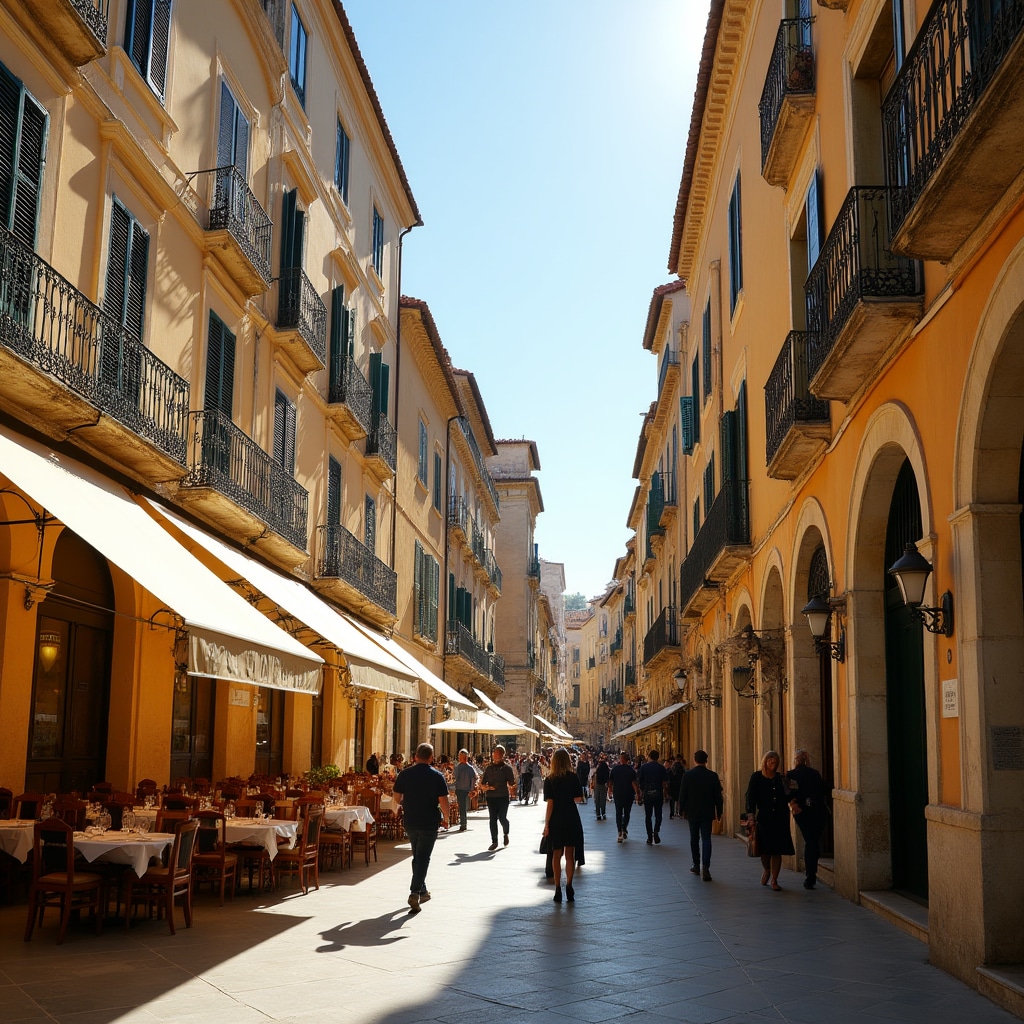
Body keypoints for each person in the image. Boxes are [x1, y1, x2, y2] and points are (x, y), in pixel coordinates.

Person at [392, 742, 450, 913]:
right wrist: (446, 818)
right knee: (423, 858)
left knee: (417, 856)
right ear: (431, 758)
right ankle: (414, 892)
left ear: (415, 756)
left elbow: (396, 798)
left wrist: (407, 803)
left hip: (410, 821)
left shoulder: (405, 774)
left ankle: (422, 890)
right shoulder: (437, 776)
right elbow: (444, 801)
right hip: (429, 822)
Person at [745, 749, 795, 890]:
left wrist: (794, 802)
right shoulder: (756, 777)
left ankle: (774, 880)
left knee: (777, 850)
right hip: (764, 818)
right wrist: (751, 816)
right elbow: (750, 797)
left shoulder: (781, 779)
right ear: (765, 762)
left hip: (780, 818)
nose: (772, 763)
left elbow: (791, 793)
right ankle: (766, 869)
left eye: (775, 761)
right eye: (770, 760)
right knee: (765, 850)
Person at [542, 747, 584, 903]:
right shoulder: (573, 777)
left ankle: (557, 888)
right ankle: (569, 885)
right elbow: (578, 799)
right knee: (569, 855)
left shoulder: (550, 779)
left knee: (556, 854)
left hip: (556, 819)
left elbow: (550, 804)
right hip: (571, 817)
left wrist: (546, 824)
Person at [679, 749, 723, 880]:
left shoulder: (688, 775)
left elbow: (683, 795)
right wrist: (719, 811)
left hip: (692, 812)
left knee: (694, 838)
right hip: (707, 812)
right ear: (706, 761)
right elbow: (718, 797)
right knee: (706, 838)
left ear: (694, 760)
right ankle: (706, 866)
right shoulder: (713, 776)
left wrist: (681, 810)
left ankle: (696, 865)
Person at [786, 748, 827, 889]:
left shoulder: (791, 775)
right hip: (817, 812)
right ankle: (811, 875)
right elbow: (822, 792)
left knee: (811, 842)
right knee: (812, 842)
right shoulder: (814, 774)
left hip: (804, 812)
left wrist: (794, 804)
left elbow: (790, 793)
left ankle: (810, 876)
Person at [480, 744, 516, 851]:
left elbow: (511, 783)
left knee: (502, 818)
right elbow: (482, 783)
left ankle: (506, 833)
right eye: (495, 753)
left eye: (498, 753)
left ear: (502, 755)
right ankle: (494, 841)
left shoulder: (507, 769)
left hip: (503, 796)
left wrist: (512, 786)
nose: (495, 755)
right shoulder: (489, 768)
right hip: (491, 797)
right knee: (492, 819)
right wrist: (486, 787)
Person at [637, 749, 670, 845]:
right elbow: (664, 782)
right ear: (658, 757)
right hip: (658, 794)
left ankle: (649, 837)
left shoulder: (644, 767)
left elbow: (640, 781)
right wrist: (665, 793)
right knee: (658, 814)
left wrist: (640, 794)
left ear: (649, 756)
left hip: (647, 794)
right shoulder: (661, 768)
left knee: (648, 816)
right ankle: (656, 831)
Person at [609, 750, 639, 842]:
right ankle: (624, 828)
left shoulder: (615, 769)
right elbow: (634, 783)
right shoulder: (631, 770)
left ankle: (619, 832)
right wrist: (637, 793)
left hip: (618, 793)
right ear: (628, 760)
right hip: (629, 794)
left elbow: (610, 782)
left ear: (621, 759)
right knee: (627, 813)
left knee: (618, 813)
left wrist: (609, 791)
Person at [453, 748, 477, 832]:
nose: (459, 757)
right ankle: (463, 824)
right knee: (462, 807)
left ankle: (463, 823)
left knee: (464, 807)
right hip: (459, 789)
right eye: (460, 756)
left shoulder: (470, 768)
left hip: (466, 790)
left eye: (461, 756)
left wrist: (471, 790)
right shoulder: (458, 767)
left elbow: (473, 779)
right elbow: (454, 778)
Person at [592, 752, 610, 821]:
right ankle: (603, 813)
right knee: (603, 800)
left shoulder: (598, 767)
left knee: (597, 799)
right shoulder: (605, 767)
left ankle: (598, 814)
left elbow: (595, 776)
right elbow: (607, 776)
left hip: (597, 784)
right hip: (603, 785)